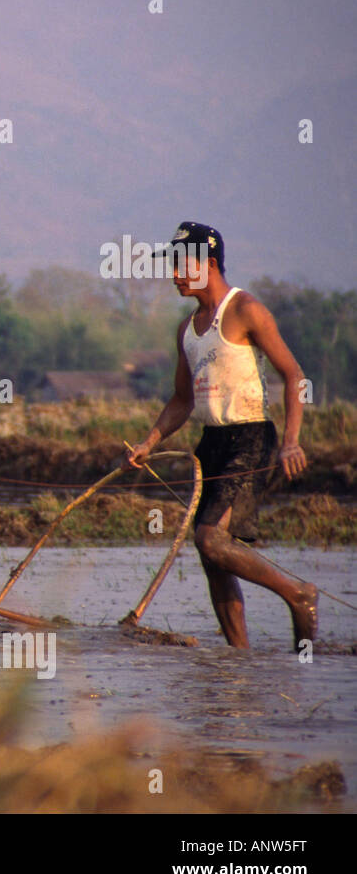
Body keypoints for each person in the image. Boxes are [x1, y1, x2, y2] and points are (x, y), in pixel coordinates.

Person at [128, 222, 317, 650]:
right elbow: (181, 399)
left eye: (181, 265)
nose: (174, 275)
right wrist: (148, 443)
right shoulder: (188, 329)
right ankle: (238, 660)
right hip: (212, 443)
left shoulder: (247, 309)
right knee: (213, 558)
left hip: (251, 439)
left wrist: (291, 440)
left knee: (211, 539)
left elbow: (293, 376)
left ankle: (297, 593)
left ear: (208, 264)